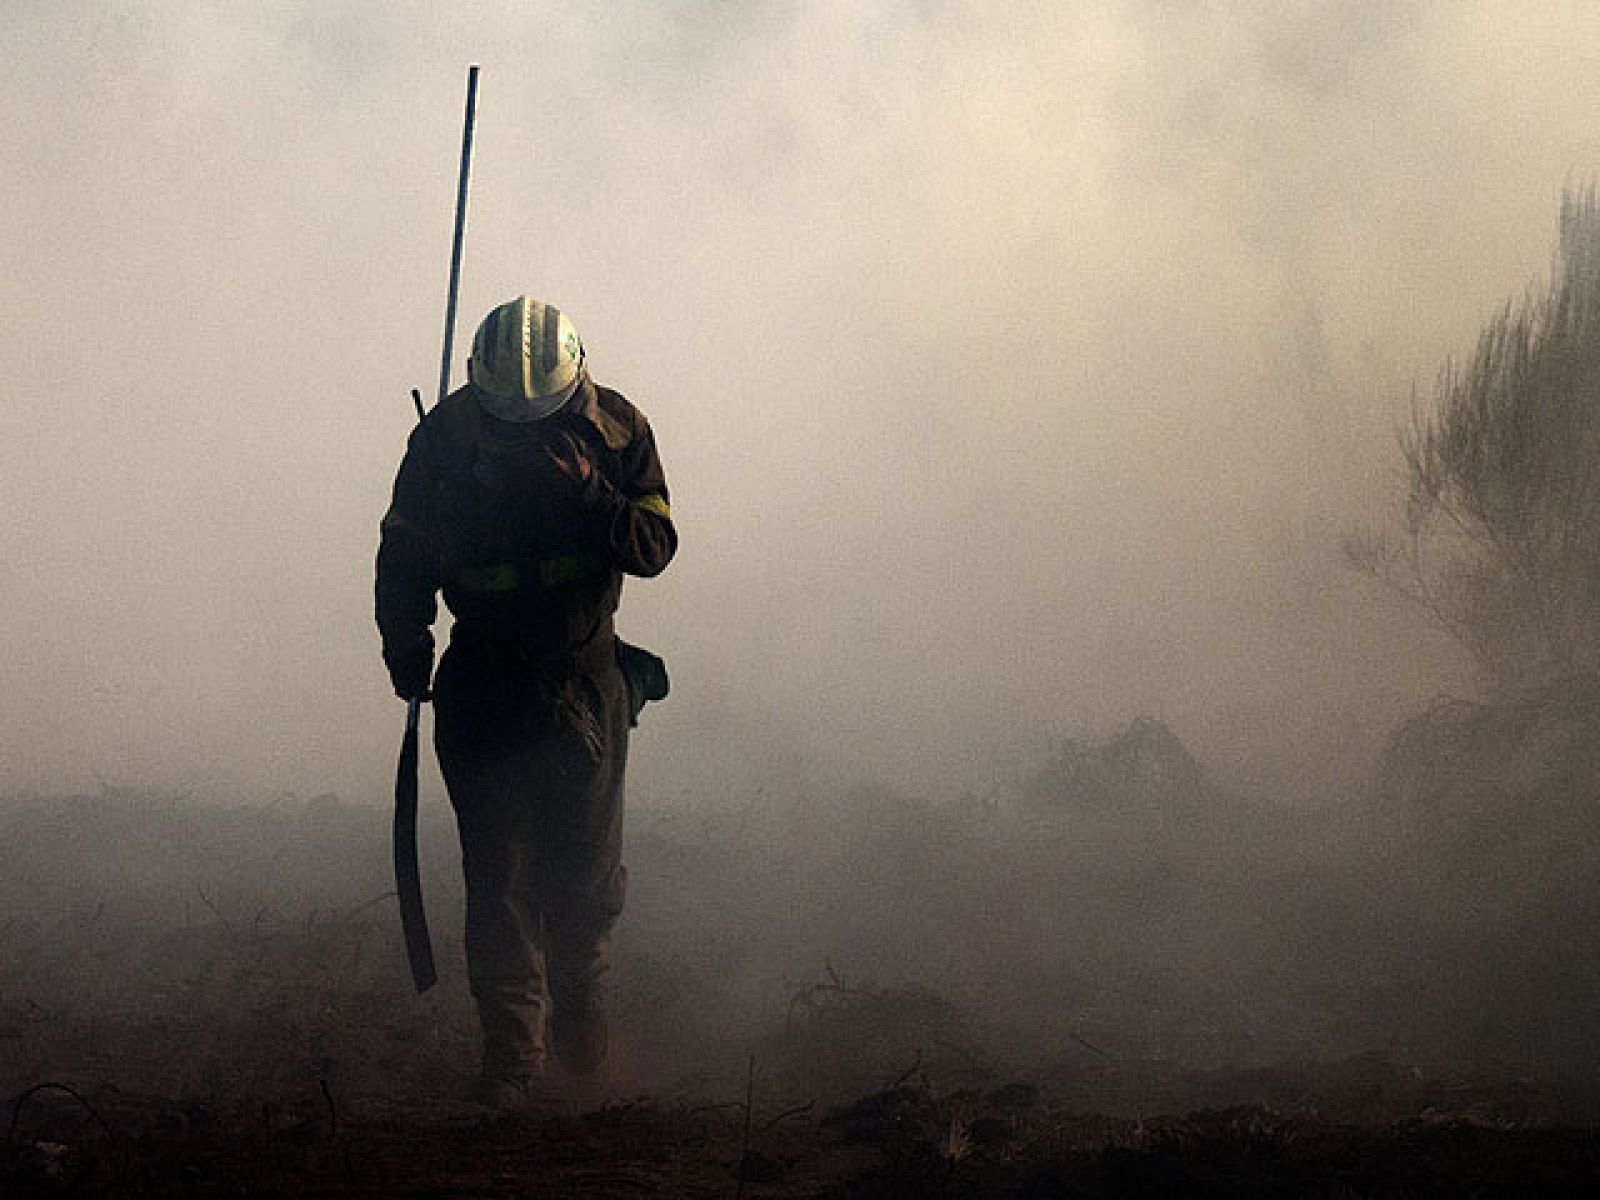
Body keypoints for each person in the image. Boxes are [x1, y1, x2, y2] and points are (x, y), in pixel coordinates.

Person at [375, 296, 676, 1108]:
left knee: (583, 877)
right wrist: (405, 640)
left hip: (584, 680)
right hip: (481, 685)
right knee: (498, 878)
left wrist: (595, 499)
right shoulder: (443, 441)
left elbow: (656, 548)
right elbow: (401, 553)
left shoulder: (617, 433)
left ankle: (582, 1004)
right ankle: (511, 1062)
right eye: (509, 421)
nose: (522, 437)